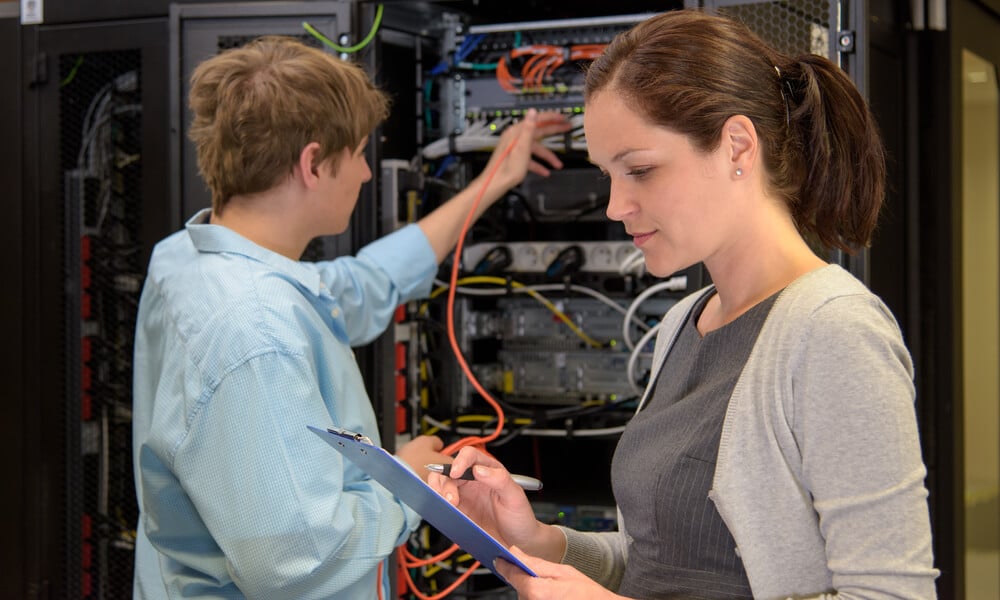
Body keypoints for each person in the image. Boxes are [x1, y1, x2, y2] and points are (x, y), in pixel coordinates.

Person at [429, 9, 939, 599]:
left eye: (640, 170)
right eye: (606, 177)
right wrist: (542, 542)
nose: (615, 206)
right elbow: (667, 565)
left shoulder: (834, 331)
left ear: (736, 146)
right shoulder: (685, 319)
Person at [131, 36, 570, 599]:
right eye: (360, 153)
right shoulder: (254, 332)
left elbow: (365, 284)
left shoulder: (189, 258)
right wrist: (408, 483)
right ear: (313, 163)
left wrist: (495, 180)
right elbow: (298, 563)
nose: (366, 174)